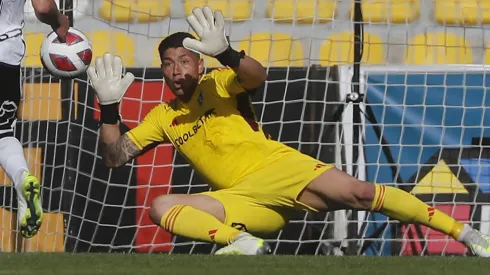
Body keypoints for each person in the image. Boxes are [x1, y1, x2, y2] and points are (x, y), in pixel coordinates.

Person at [87, 6, 490, 256]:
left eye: (185, 61)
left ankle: (467, 233)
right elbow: (114, 156)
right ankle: (240, 243)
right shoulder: (162, 116)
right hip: (241, 200)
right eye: (169, 64)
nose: (177, 71)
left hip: (281, 170)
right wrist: (108, 107)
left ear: (200, 64)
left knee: (362, 193)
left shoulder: (218, 83)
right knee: (160, 207)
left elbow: (256, 76)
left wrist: (226, 52)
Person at [0, 0, 69, 238]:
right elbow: (43, 7)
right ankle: (21, 176)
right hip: (5, 56)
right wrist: (59, 21)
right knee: (3, 135)